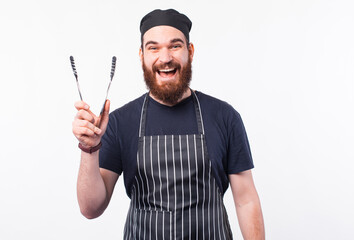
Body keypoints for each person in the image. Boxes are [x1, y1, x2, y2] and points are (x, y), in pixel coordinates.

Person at [72, 9, 265, 240]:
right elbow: (91, 209)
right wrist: (90, 148)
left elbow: (246, 201)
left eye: (175, 46)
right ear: (142, 55)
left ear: (190, 52)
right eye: (154, 48)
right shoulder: (120, 121)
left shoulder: (224, 117)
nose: (165, 58)